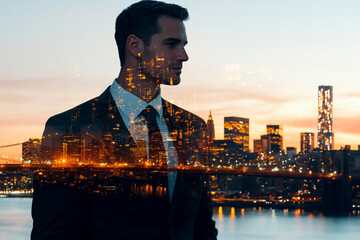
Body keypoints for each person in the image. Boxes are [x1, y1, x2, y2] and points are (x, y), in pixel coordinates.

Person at [31, 1, 217, 239]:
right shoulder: (69, 128)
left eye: (183, 45)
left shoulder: (193, 127)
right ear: (135, 45)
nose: (184, 56)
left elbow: (202, 225)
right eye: (172, 44)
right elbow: (55, 233)